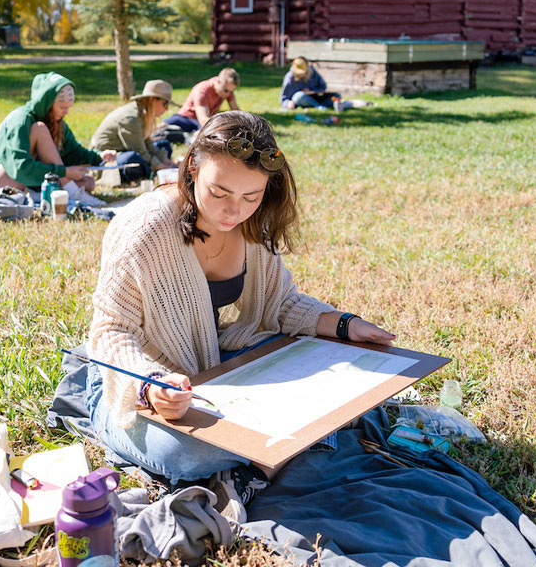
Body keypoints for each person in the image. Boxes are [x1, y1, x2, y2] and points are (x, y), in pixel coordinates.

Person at [84, 110, 394, 519]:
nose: (233, 211)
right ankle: (273, 455)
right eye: (220, 192)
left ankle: (256, 460)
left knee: (349, 379)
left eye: (251, 197)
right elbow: (110, 331)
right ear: (192, 166)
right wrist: (150, 386)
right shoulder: (145, 226)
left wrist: (345, 326)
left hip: (211, 369)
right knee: (186, 451)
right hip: (131, 384)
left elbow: (281, 305)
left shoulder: (252, 225)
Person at [0, 72, 115, 201]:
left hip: (28, 179)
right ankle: (70, 193)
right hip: (0, 180)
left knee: (88, 183)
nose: (65, 112)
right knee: (40, 130)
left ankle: (49, 193)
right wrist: (64, 172)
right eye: (62, 107)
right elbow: (19, 167)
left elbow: (73, 152)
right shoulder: (21, 120)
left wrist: (98, 157)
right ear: (47, 103)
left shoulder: (57, 122)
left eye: (68, 107)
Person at [89, 79, 177, 183]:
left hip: (124, 150)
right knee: (134, 159)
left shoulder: (144, 113)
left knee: (164, 145)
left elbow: (148, 144)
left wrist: (171, 165)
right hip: (106, 159)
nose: (166, 109)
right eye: (165, 103)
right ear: (152, 99)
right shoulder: (131, 118)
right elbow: (140, 151)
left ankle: (150, 170)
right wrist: (163, 167)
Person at [163, 68, 240, 133]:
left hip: (203, 122)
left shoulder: (227, 89)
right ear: (218, 82)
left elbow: (237, 113)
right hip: (186, 118)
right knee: (162, 127)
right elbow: (203, 120)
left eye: (231, 91)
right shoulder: (202, 90)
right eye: (226, 90)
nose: (228, 94)